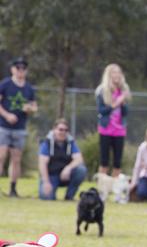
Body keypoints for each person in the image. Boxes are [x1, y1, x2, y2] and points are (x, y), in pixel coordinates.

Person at [0, 57, 38, 197]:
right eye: (18, 68)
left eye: (23, 69)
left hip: (20, 128)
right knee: (1, 156)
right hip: (4, 126)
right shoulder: (5, 84)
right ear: (12, 69)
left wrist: (30, 109)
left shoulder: (29, 88)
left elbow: (34, 106)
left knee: (16, 159)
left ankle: (13, 188)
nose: (20, 71)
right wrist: (7, 115)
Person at [38, 118, 87, 201]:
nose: (63, 132)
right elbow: (42, 164)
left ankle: (69, 196)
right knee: (46, 197)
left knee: (81, 170)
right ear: (54, 130)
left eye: (66, 130)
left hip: (66, 175)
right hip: (51, 176)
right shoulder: (46, 143)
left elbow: (79, 159)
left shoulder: (71, 143)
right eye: (60, 129)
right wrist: (46, 182)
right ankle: (49, 191)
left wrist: (68, 168)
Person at [95, 63, 131, 177]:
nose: (117, 75)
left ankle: (116, 190)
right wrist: (115, 104)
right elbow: (101, 111)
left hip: (119, 130)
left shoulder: (124, 90)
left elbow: (125, 112)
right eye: (114, 72)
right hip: (106, 129)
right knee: (104, 161)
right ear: (109, 75)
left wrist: (123, 103)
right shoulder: (102, 91)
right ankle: (101, 189)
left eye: (119, 72)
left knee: (117, 163)